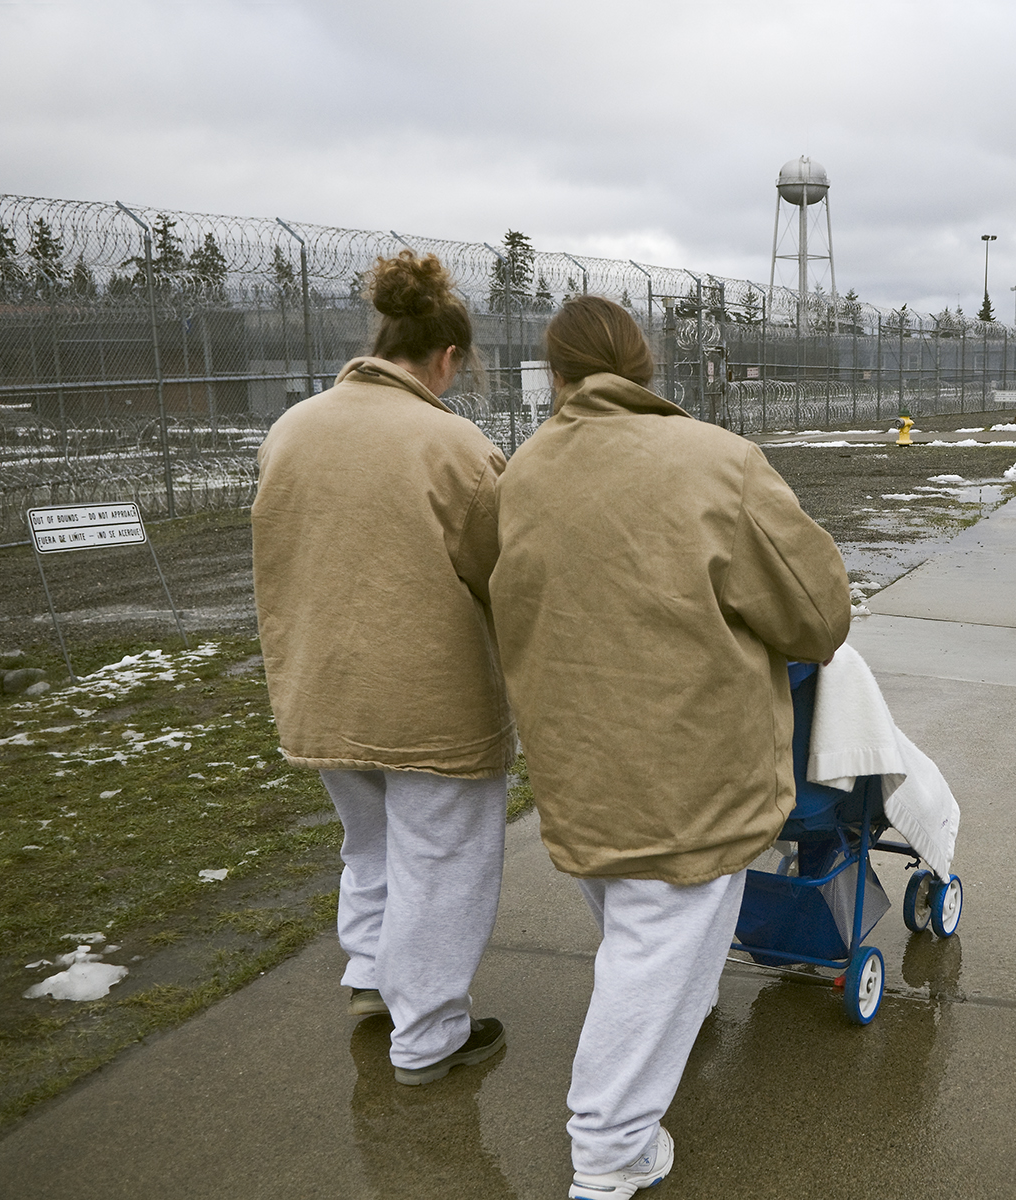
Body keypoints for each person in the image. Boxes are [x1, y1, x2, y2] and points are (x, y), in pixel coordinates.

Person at [491, 296, 849, 1199]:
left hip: (575, 757)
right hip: (691, 766)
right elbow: (816, 616)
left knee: (639, 928)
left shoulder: (524, 472)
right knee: (658, 942)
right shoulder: (717, 462)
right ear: (646, 368)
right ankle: (610, 1150)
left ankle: (663, 1045)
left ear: (558, 374)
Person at [252, 250, 513, 1086]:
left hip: (321, 687)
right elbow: (501, 572)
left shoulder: (293, 429)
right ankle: (429, 1034)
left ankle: (370, 975)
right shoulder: (454, 444)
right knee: (442, 861)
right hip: (431, 699)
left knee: (370, 844)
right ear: (446, 356)